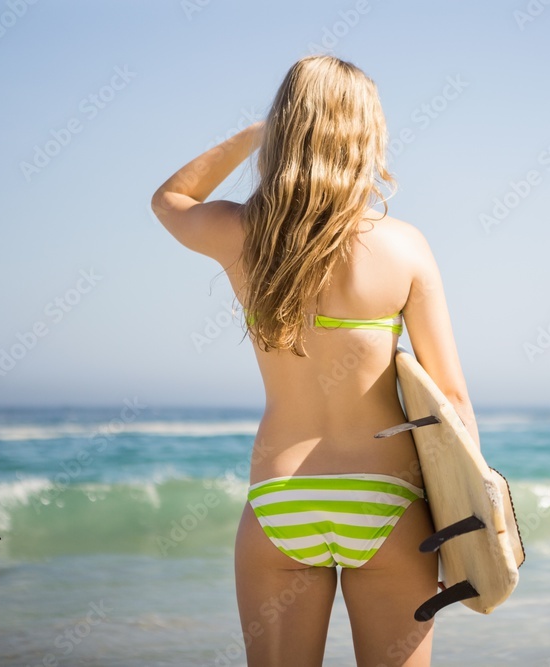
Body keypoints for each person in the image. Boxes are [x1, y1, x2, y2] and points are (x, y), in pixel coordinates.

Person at [151, 54, 480, 667]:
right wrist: (472, 519)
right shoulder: (404, 246)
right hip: (387, 503)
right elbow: (452, 399)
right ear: (367, 134)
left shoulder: (244, 234)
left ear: (286, 128)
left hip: (281, 498)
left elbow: (170, 199)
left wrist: (258, 132)